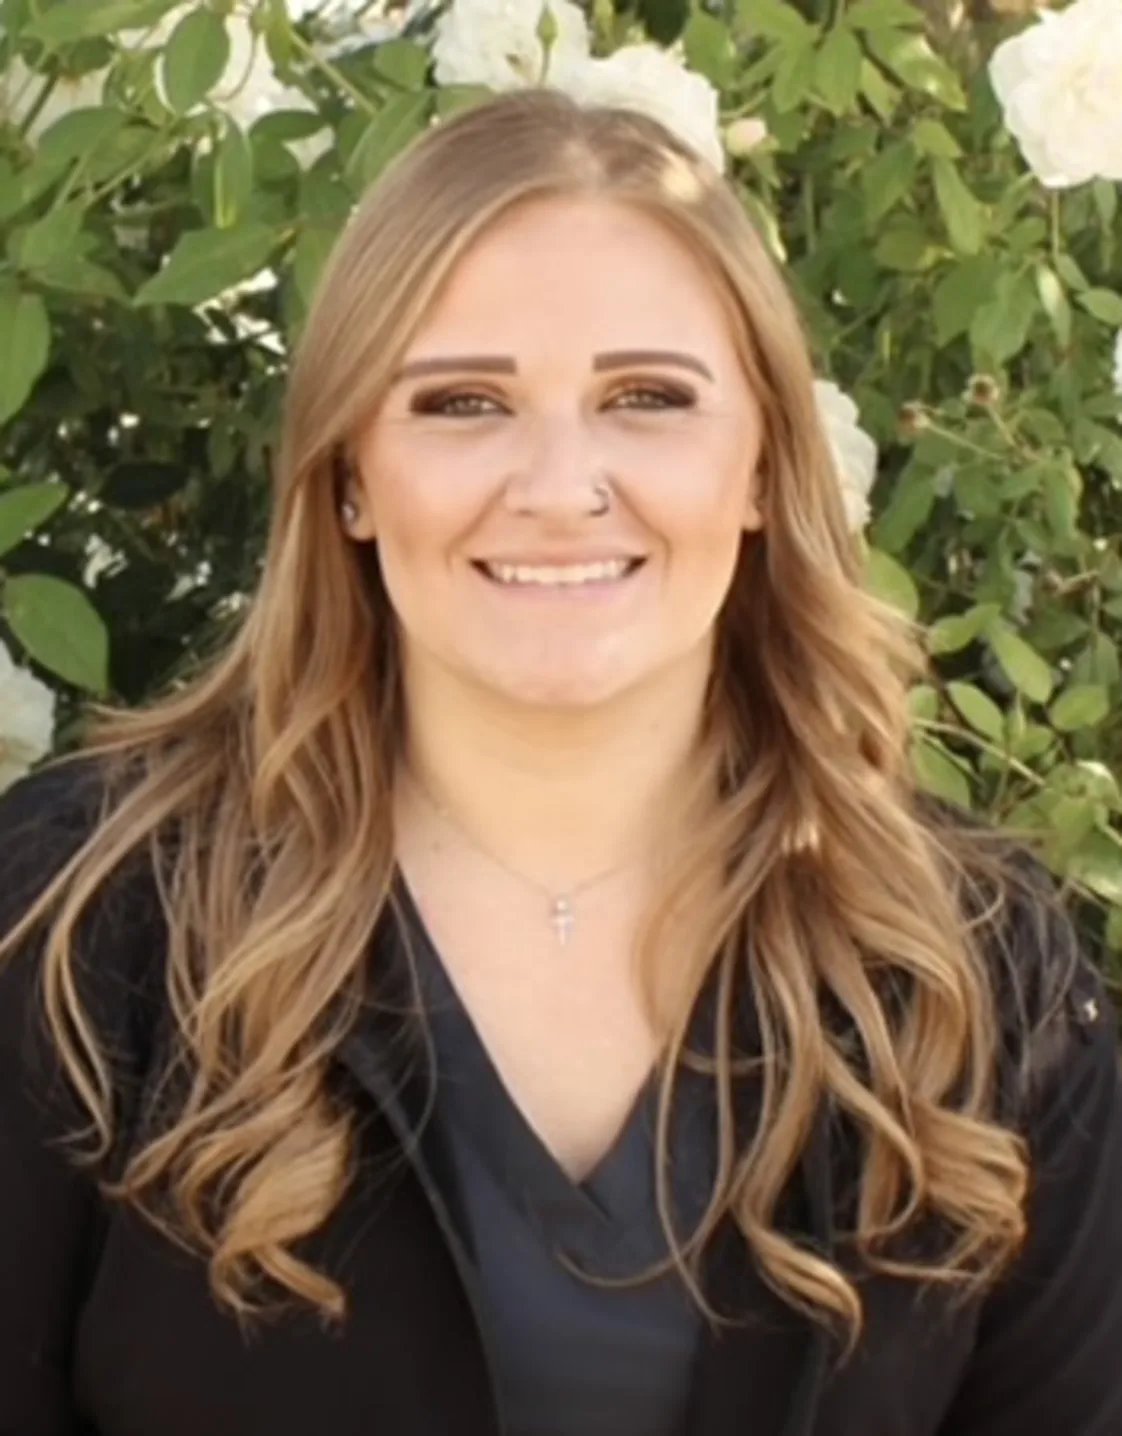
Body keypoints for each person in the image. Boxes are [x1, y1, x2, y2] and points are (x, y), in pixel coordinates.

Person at [1, 87, 1120, 1436]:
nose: (557, 484)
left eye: (645, 397)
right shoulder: (78, 924)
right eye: (462, 402)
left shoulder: (970, 975)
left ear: (763, 461)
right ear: (348, 473)